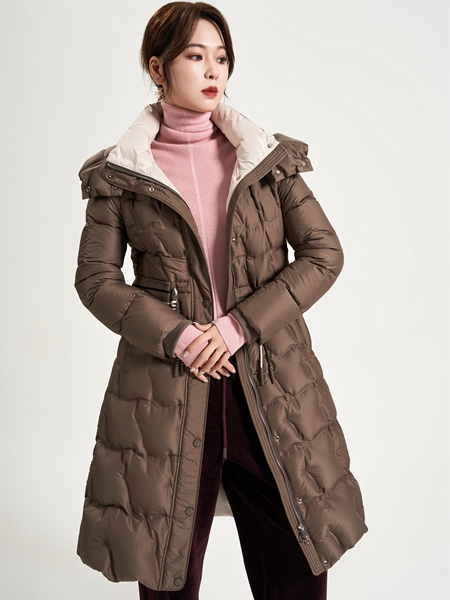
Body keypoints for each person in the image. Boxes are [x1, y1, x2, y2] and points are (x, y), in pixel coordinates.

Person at [74, 2, 368, 598]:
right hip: (167, 389)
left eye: (222, 57)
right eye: (195, 56)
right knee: (169, 574)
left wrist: (237, 327)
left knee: (296, 566)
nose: (214, 71)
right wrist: (180, 336)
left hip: (270, 380)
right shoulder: (121, 174)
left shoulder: (266, 160)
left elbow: (323, 254)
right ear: (158, 68)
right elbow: (97, 280)